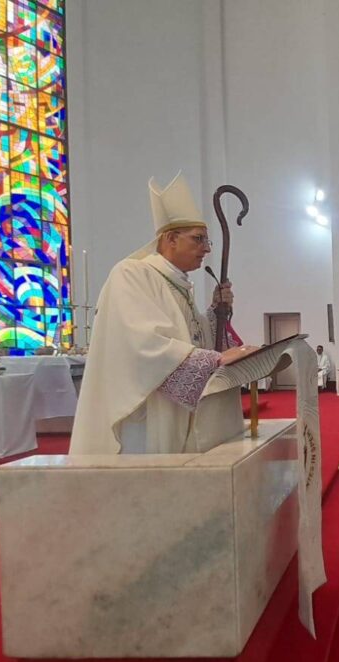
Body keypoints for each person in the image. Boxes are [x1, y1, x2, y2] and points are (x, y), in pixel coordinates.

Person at [70, 172, 253, 455]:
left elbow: (193, 338)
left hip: (175, 411)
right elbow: (142, 344)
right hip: (147, 413)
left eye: (207, 241)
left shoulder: (178, 284)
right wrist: (215, 359)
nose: (205, 248)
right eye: (198, 239)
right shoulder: (131, 274)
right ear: (170, 239)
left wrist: (216, 313)